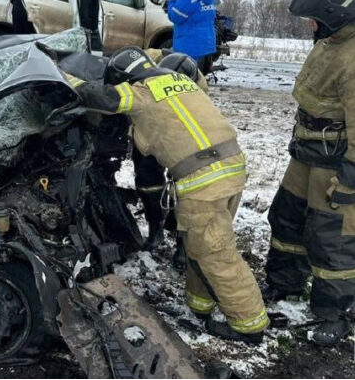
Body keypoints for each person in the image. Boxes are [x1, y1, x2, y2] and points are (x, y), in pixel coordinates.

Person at [62, 48, 269, 343]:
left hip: (204, 179)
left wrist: (63, 76)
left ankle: (250, 325)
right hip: (230, 166)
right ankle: (200, 304)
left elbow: (101, 97)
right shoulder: (176, 79)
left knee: (216, 253)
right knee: (200, 244)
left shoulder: (142, 91)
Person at [264, 0, 355, 346]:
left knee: (331, 238)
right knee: (286, 216)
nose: (310, 26)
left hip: (335, 161)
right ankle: (284, 282)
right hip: (307, 150)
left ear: (334, 17)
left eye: (314, 19)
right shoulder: (332, 40)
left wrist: (350, 179)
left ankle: (335, 312)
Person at [134, 51, 208, 269]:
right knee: (146, 176)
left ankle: (182, 243)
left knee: (185, 184)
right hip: (148, 122)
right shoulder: (147, 64)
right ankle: (154, 228)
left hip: (181, 130)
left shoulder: (198, 86)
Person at [167, 0, 217, 68]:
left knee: (186, 72)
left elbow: (175, 16)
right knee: (197, 71)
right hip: (206, 41)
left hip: (189, 43)